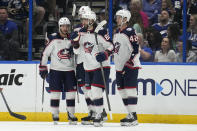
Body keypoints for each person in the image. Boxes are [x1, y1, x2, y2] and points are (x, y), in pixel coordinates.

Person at [71, 11, 114, 127]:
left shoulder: (101, 32)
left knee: (96, 91)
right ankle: (101, 113)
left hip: (101, 66)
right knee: (90, 92)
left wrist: (105, 54)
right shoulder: (81, 32)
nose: (83, 22)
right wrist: (74, 43)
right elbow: (77, 51)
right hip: (88, 67)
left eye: (85, 19)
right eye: (82, 19)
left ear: (91, 20)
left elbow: (112, 46)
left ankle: (99, 114)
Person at [39, 17, 78, 125]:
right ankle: (55, 114)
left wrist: (75, 43)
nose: (65, 28)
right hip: (56, 70)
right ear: (59, 27)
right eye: (63, 26)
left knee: (71, 94)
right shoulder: (53, 38)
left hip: (70, 70)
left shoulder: (73, 38)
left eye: (67, 26)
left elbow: (78, 51)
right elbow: (45, 54)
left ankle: (71, 114)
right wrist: (42, 67)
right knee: (55, 93)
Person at [113, 9, 141, 126]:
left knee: (130, 90)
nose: (117, 19)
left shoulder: (130, 31)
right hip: (119, 67)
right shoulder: (117, 33)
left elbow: (136, 49)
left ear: (125, 19)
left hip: (130, 66)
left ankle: (133, 116)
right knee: (122, 90)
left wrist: (129, 63)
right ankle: (130, 114)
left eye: (119, 17)